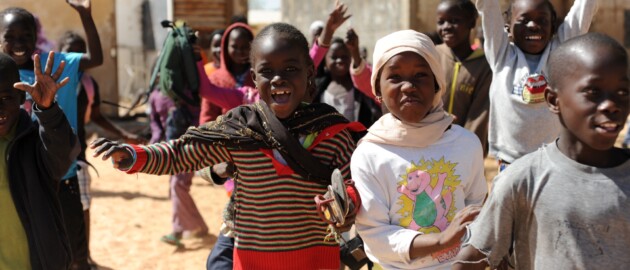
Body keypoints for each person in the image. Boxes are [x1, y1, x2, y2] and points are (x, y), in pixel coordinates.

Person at [91, 22, 365, 270]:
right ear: (254, 79)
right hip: (252, 261)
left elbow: (354, 181)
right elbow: (181, 154)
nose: (278, 78)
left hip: (315, 261)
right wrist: (133, 156)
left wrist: (345, 204)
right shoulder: (239, 130)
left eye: (290, 69)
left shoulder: (332, 131)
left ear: (309, 72)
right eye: (267, 71)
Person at [453, 32, 630, 270]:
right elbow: (473, 258)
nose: (611, 104)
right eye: (593, 92)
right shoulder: (523, 180)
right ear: (554, 101)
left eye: (623, 92)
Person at [351, 30, 488, 269]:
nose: (408, 86)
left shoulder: (466, 144)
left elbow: (478, 214)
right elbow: (375, 234)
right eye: (394, 76)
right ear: (378, 90)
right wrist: (440, 240)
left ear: (437, 83)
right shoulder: (370, 153)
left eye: (421, 75)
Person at [0, 2, 103, 269]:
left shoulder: (52, 66)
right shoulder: (3, 73)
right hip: (28, 179)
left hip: (62, 174)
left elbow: (96, 58)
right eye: (9, 37)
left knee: (74, 252)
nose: (18, 43)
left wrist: (84, 15)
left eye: (25, 36)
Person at [476, 0, 598, 170]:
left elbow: (584, 8)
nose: (533, 25)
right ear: (507, 28)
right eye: (523, 20)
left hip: (554, 165)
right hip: (511, 165)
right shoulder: (501, 56)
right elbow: (487, 6)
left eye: (542, 20)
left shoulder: (561, 54)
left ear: (553, 27)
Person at [58, 30, 144, 266]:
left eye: (79, 50)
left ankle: (84, 256)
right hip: (51, 158)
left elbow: (96, 115)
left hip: (78, 159)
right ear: (60, 55)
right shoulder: (53, 81)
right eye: (69, 51)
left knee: (83, 207)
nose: (75, 56)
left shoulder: (88, 84)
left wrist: (123, 134)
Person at [0, 52, 78, 270]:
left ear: (21, 98)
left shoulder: (34, 140)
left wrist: (48, 111)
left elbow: (63, 157)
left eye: (6, 98)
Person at [435, 0, 492, 157]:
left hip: (464, 150)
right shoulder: (432, 56)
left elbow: (480, 115)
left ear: (471, 23)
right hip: (430, 144)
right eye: (441, 21)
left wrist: (468, 153)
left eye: (454, 21)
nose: (446, 26)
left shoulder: (484, 66)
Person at [313, 31, 381, 131]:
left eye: (344, 57)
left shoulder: (360, 88)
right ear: (325, 62)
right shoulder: (317, 89)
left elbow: (364, 77)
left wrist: (355, 51)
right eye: (334, 57)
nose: (340, 60)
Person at [199, 22, 254, 124]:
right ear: (226, 47)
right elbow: (207, 117)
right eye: (234, 46)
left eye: (244, 47)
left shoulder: (258, 77)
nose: (239, 51)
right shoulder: (215, 79)